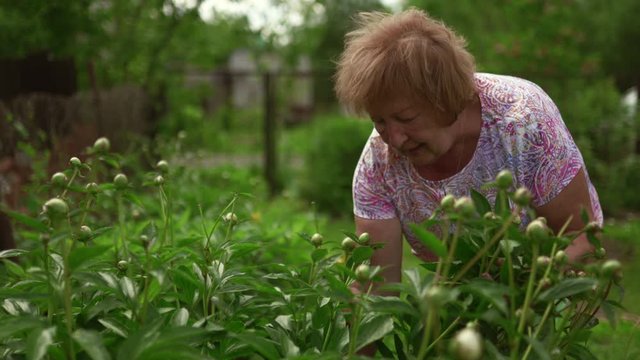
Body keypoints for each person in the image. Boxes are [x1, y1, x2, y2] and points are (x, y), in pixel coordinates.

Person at [334, 8, 602, 287]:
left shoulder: (524, 121)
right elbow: (377, 290)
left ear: (446, 98)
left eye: (406, 118)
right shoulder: (378, 165)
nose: (395, 140)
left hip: (540, 284)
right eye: (379, 121)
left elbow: (582, 238)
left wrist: (520, 294)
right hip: (457, 291)